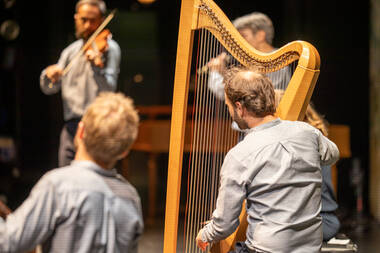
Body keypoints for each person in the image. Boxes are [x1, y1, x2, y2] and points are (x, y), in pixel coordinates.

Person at [195, 68, 340, 253]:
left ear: (239, 107)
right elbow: (332, 155)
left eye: (228, 106)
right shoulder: (308, 132)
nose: (230, 111)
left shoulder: (239, 155)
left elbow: (225, 225)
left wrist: (205, 234)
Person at [0, 92, 143, 252]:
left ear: (80, 131)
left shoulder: (58, 186)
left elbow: (7, 242)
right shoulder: (130, 197)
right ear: (125, 151)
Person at [40, 0, 121, 167]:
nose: (88, 25)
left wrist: (97, 66)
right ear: (76, 18)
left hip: (98, 127)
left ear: (101, 20)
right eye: (83, 20)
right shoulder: (70, 52)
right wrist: (49, 76)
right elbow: (50, 89)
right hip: (71, 128)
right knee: (66, 176)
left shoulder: (109, 49)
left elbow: (110, 88)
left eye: (93, 20)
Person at [208, 12, 291, 100]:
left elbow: (255, 98)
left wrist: (217, 74)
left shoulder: (278, 61)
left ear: (260, 36)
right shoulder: (247, 61)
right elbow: (229, 95)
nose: (238, 42)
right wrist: (219, 72)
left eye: (243, 36)